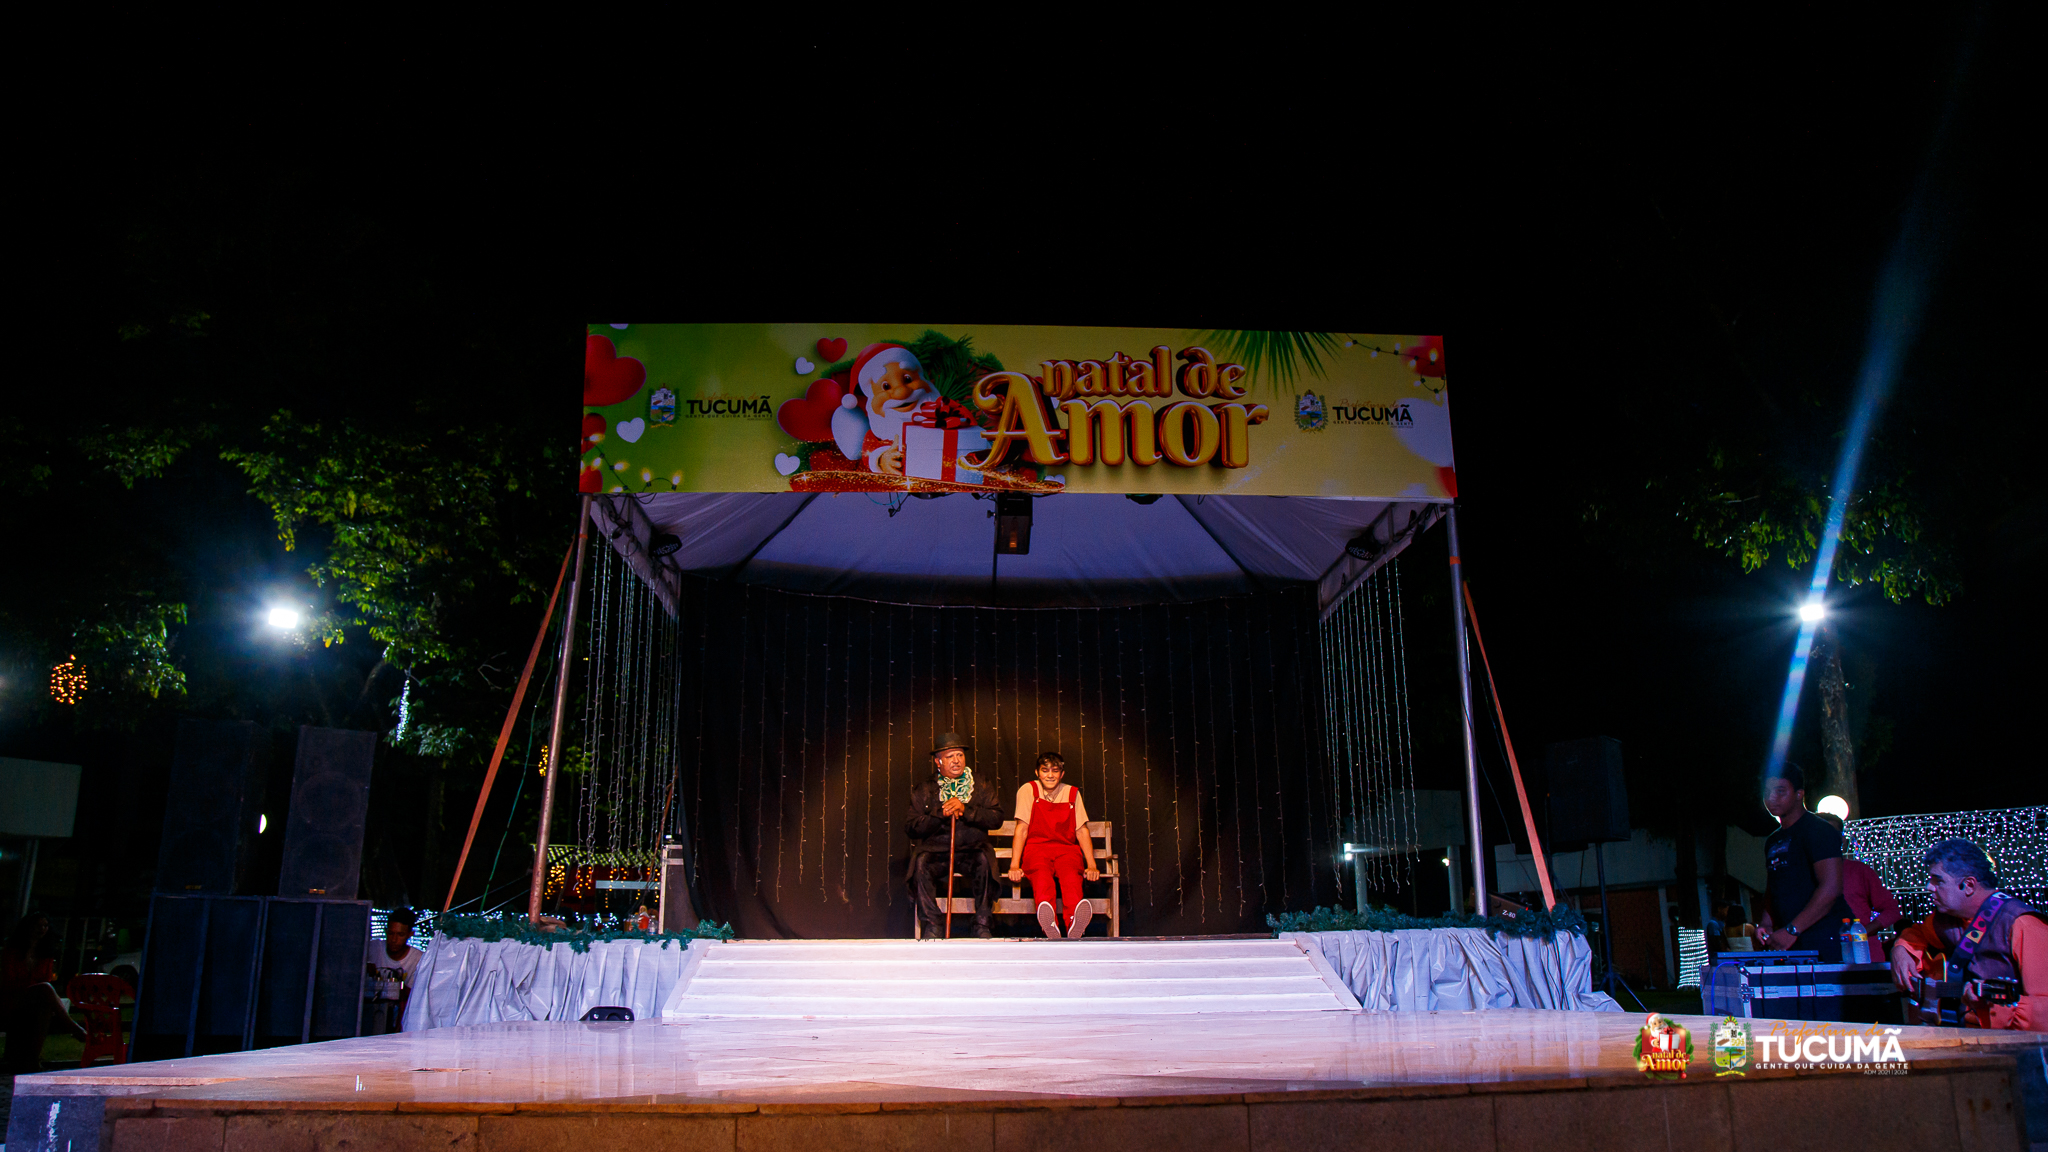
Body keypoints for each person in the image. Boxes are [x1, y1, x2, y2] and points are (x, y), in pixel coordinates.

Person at [1888, 838, 2046, 1032]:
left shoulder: (2023, 925)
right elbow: (1917, 933)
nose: (1929, 888)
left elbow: (2043, 1011)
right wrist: (1901, 949)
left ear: (1968, 885)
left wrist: (1992, 1010)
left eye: (1938, 881)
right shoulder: (1947, 919)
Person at [905, 732, 1003, 939]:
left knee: (985, 860)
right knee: (920, 862)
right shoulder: (926, 788)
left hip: (972, 850)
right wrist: (940, 814)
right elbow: (912, 827)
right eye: (950, 757)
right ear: (938, 761)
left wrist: (966, 810)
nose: (956, 761)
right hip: (937, 852)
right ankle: (932, 924)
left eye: (959, 755)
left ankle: (982, 924)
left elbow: (996, 818)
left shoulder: (981, 783)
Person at [1757, 763, 1854, 962]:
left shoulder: (1819, 830)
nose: (1771, 798)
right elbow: (1774, 883)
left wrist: (1792, 930)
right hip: (1792, 940)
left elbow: (1831, 888)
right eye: (1767, 792)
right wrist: (1766, 923)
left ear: (1799, 793)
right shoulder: (1773, 840)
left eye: (1780, 791)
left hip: (1826, 936)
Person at [1005, 752, 1101, 939]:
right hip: (1037, 849)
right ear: (1037, 772)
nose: (1050, 775)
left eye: (1055, 771)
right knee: (1042, 878)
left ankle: (1075, 923)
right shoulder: (1028, 790)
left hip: (1067, 850)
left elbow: (1081, 831)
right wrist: (1014, 865)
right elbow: (1022, 829)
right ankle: (1049, 925)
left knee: (1071, 878)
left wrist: (1092, 865)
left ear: (1062, 774)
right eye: (1045, 770)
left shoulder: (1072, 793)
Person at [3, 912, 88, 1073]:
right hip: (12, 998)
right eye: (38, 925)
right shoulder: (12, 951)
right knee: (45, 990)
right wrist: (34, 987)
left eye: (45, 926)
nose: (42, 929)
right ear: (28, 928)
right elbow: (10, 981)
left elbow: (46, 979)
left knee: (45, 1008)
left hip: (34, 1000)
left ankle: (32, 1061)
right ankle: (74, 1028)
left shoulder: (45, 954)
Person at [1816, 811, 1903, 960]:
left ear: (1842, 840)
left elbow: (1892, 910)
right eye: (1820, 835)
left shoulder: (1859, 871)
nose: (1825, 840)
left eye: (1830, 834)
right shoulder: (1803, 875)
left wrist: (1860, 933)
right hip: (1823, 957)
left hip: (1863, 957)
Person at [364, 908, 425, 1034]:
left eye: (400, 935)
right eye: (391, 933)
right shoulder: (372, 948)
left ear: (410, 934)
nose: (394, 939)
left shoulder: (418, 959)